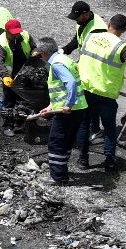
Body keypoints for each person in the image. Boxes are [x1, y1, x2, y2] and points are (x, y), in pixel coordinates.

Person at [77, 13, 126, 173]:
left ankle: (83, 160)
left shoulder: (90, 37)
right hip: (106, 95)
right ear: (124, 30)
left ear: (109, 24)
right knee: (109, 128)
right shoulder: (122, 47)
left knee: (84, 125)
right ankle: (109, 162)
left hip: (85, 89)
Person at [36, 36, 89, 182]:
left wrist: (68, 105)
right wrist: (49, 107)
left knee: (56, 142)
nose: (41, 57)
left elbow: (70, 83)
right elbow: (61, 91)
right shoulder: (65, 59)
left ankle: (58, 177)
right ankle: (62, 171)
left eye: (40, 54)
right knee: (66, 141)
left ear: (44, 53)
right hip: (79, 108)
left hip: (70, 111)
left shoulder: (57, 64)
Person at [0, 18, 34, 113]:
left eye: (17, 33)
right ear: (6, 32)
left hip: (25, 71)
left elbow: (33, 47)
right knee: (9, 100)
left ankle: (25, 120)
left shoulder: (26, 35)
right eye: (13, 34)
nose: (16, 36)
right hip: (10, 76)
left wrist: (35, 52)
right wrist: (5, 76)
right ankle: (8, 123)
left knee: (25, 99)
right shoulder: (1, 44)